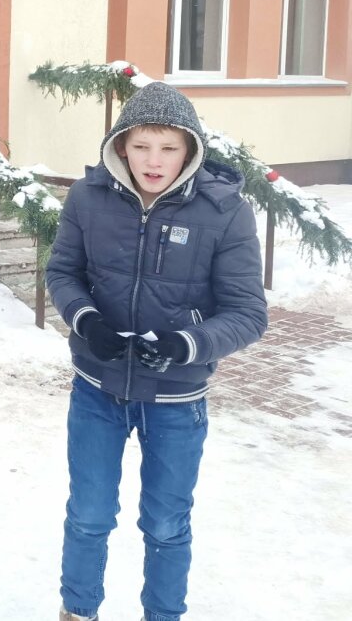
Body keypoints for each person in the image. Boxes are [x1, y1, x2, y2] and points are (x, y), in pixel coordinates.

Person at [46, 81, 268, 621]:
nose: (153, 160)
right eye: (142, 145)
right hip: (97, 389)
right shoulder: (88, 198)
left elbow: (248, 313)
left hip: (176, 400)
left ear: (189, 150)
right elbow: (63, 273)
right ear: (121, 145)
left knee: (167, 525)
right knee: (89, 515)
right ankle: (77, 611)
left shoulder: (224, 212)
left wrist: (186, 344)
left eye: (169, 148)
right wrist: (87, 321)